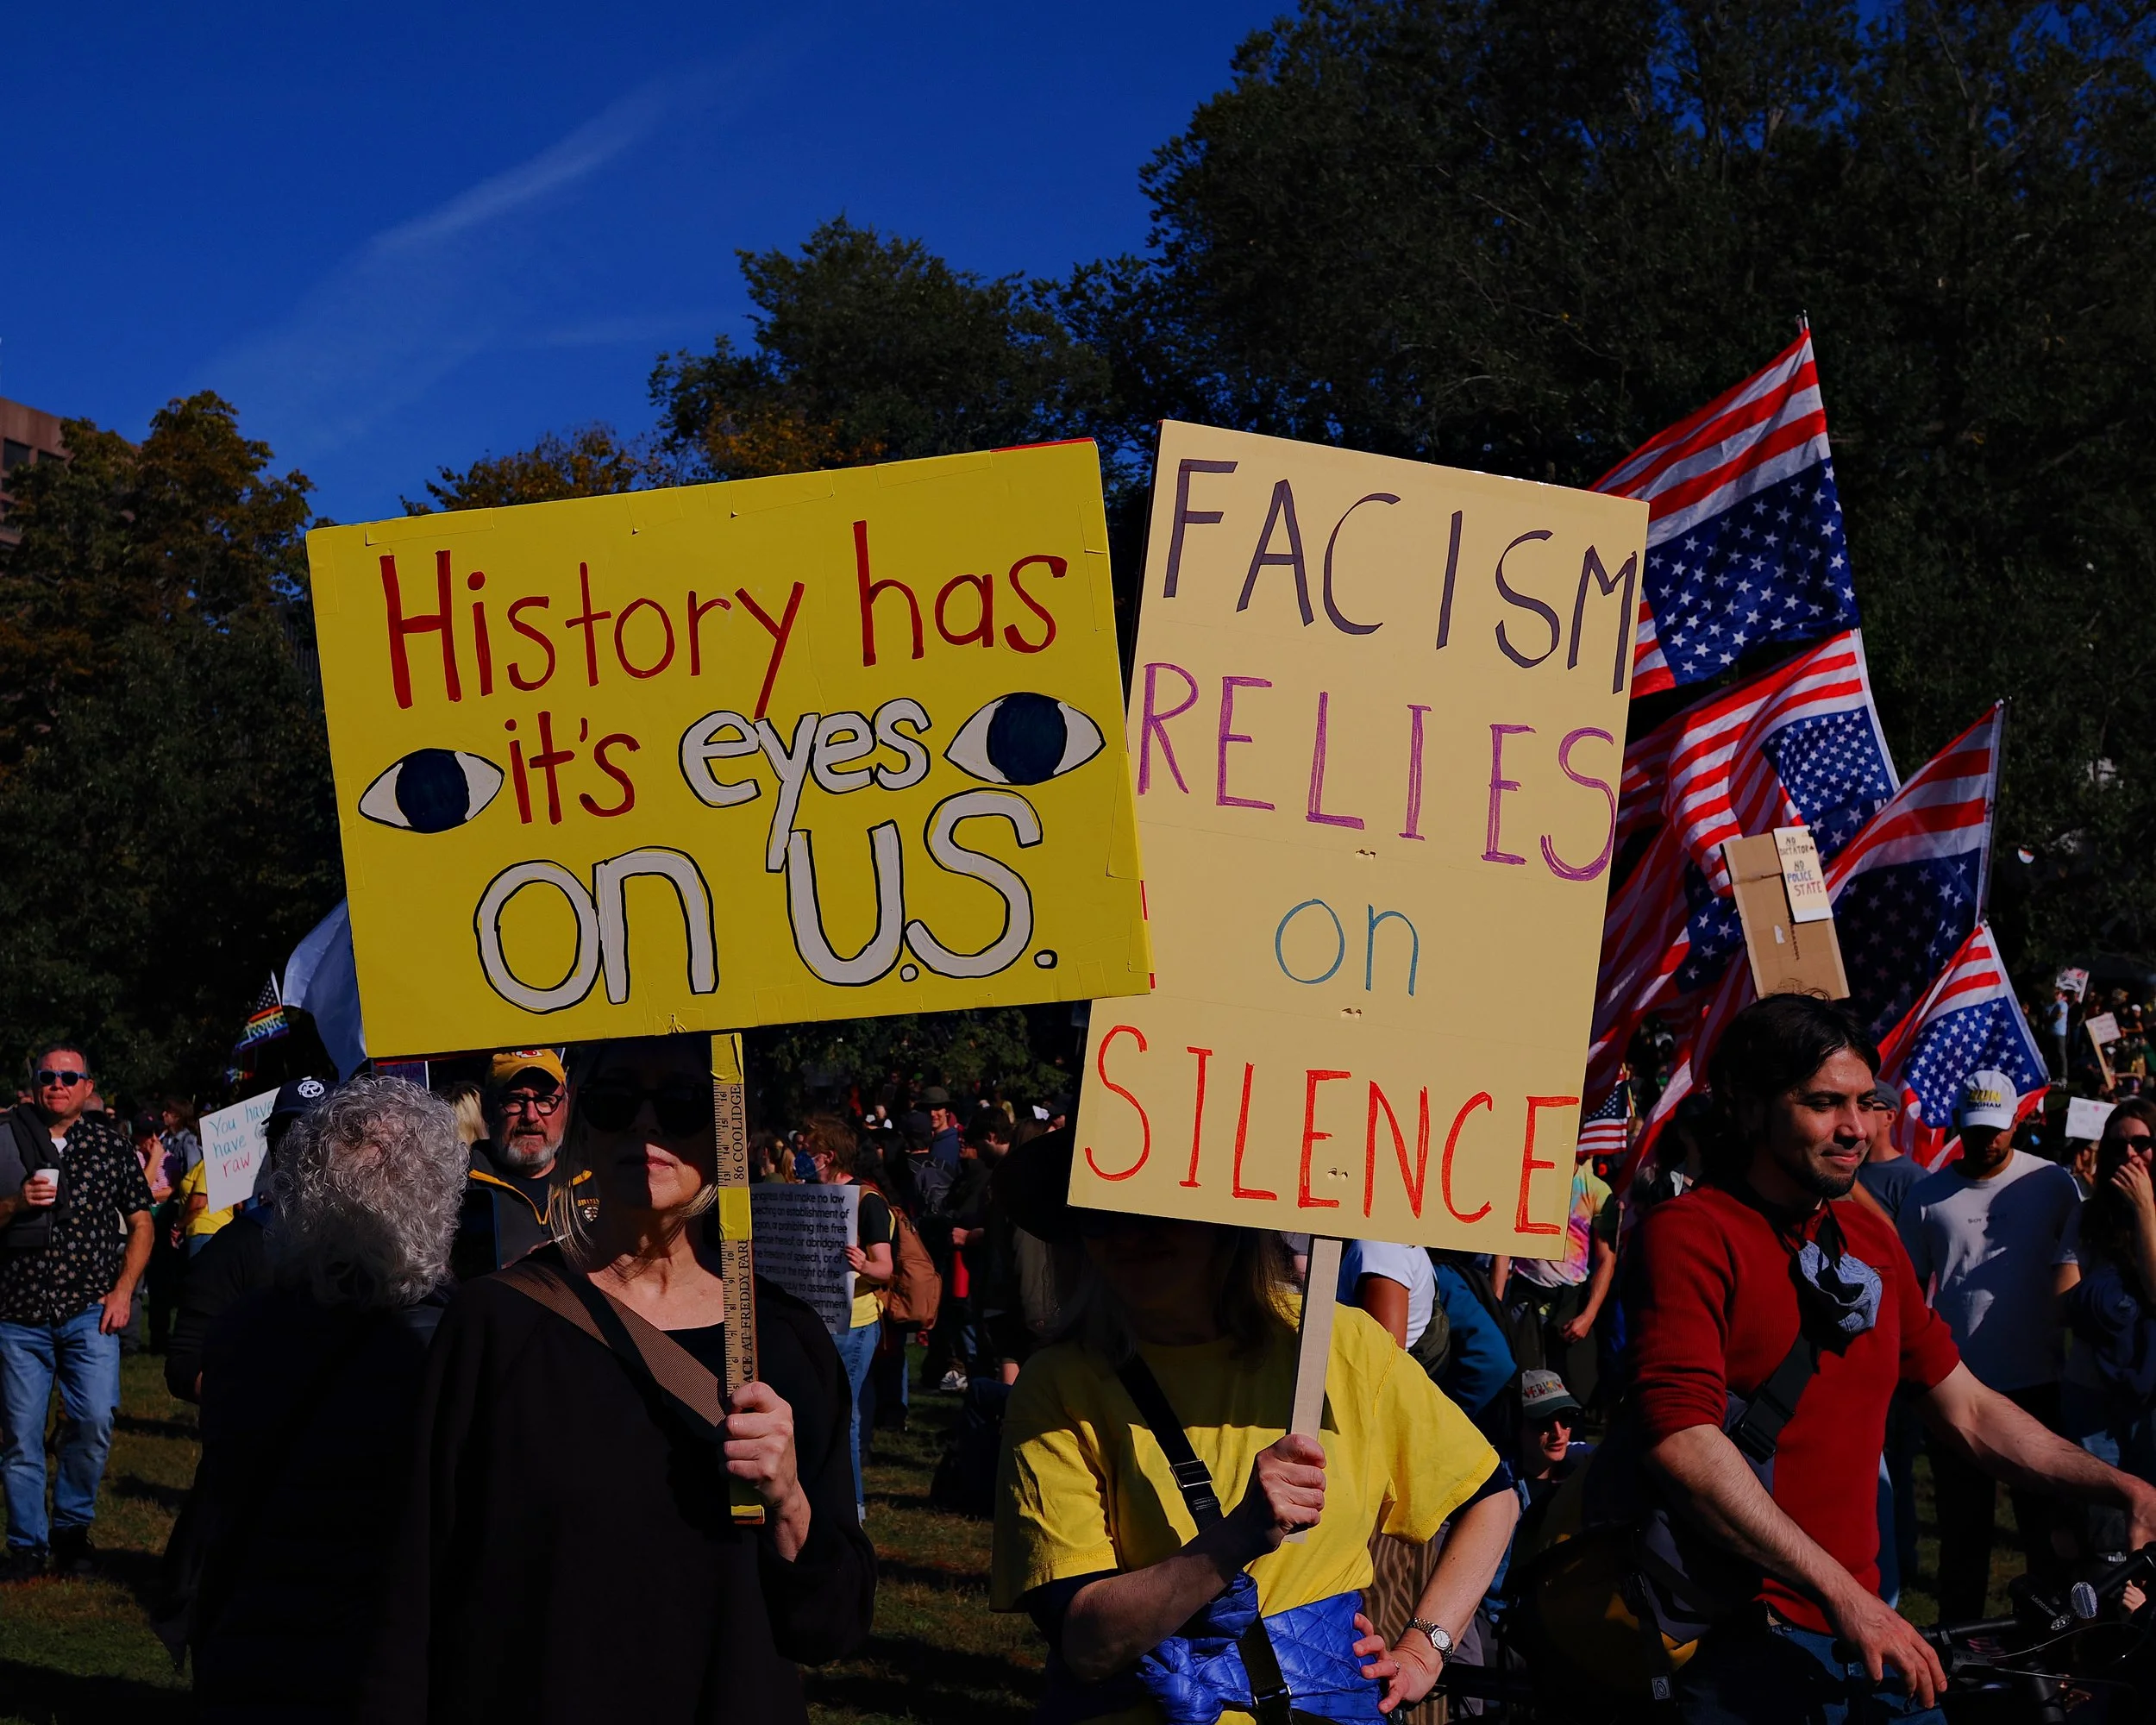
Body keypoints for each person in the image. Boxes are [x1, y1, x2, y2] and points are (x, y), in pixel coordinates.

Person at [1630, 996, 2156, 1722]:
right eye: (1822, 1103)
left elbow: (1967, 1407)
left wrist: (2119, 1486)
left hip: (1867, 1632)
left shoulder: (1870, 1239)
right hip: (1742, 1641)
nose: (1855, 1127)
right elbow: (1683, 1442)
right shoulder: (1690, 1233)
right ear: (1751, 1109)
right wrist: (1845, 1597)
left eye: (1864, 1102)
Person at [362, 1034, 875, 1722]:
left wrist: (789, 1502)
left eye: (684, 1101)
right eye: (615, 1099)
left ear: (725, 1124)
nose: (647, 1123)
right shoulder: (495, 1323)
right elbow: (411, 1589)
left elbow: (833, 1626)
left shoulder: (783, 1342)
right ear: (584, 1122)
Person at [991, 1129, 1519, 1722]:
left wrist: (1426, 1646)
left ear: (1225, 1213)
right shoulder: (1061, 1384)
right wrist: (1236, 1536)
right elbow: (1087, 1643)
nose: (1128, 1232)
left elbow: (1490, 1497)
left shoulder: (1341, 1346)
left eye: (1154, 1205)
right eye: (1099, 1212)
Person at [185, 1076, 466, 1717]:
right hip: (388, 1660)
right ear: (437, 1200)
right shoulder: (454, 1344)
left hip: (247, 1647)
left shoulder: (244, 1331)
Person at [1899, 1069, 2083, 1624]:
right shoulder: (1928, 1195)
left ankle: (2052, 1654)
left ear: (2016, 1122)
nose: (1988, 1140)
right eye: (1978, 1129)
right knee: (1963, 1537)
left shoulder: (2051, 1183)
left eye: (1999, 1129)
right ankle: (1961, 1662)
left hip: (2040, 1385)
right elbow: (1908, 1291)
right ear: (1959, 1123)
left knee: (2048, 1535)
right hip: (1960, 1389)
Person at [0, 1044, 154, 1581]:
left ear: (88, 1087)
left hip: (90, 1310)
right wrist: (17, 1203)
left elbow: (141, 1222)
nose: (57, 1084)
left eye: (70, 1077)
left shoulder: (110, 1147)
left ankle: (70, 1530)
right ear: (34, 1083)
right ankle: (25, 1546)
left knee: (92, 1421)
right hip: (18, 1315)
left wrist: (123, 1290)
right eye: (48, 1075)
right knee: (20, 1437)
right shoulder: (6, 1139)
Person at [166, 1078, 331, 1402]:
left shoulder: (384, 1243)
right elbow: (186, 1364)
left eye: (323, 1136)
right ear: (272, 1148)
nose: (305, 1150)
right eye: (290, 1137)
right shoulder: (235, 1246)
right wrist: (262, 1403)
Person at [2056, 1098, 2156, 1547]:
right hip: (2093, 1393)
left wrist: (2146, 1210)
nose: (2131, 1154)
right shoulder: (2087, 1215)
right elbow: (2062, 1299)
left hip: (2151, 1398)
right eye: (2119, 1145)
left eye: (2142, 1142)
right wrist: (2108, 1301)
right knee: (2104, 1531)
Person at [805, 1113, 893, 1521]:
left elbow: (885, 1270)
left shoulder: (868, 1201)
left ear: (829, 1156)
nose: (804, 1158)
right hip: (817, 1319)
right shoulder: (810, 1195)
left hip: (854, 1324)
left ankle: (852, 1506)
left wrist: (862, 1264)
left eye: (810, 1152)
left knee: (847, 1414)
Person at [1491, 1145, 1618, 1408]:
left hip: (1571, 1304)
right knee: (1522, 1392)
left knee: (1574, 1393)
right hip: (1526, 1299)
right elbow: (1502, 1250)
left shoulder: (1597, 1190)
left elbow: (1607, 1258)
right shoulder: (1525, 1178)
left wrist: (1589, 1315)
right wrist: (1495, 1306)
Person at [450, 1048, 567, 1280]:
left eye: (545, 1100)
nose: (531, 1116)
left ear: (566, 1107)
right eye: (515, 1100)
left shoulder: (600, 1178)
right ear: (488, 1109)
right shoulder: (453, 1186)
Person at [1852, 1085, 1921, 1223]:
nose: (1855, 1115)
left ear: (1889, 1116)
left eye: (1866, 1106)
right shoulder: (1845, 1165)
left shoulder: (1913, 1178)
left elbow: (1906, 1241)